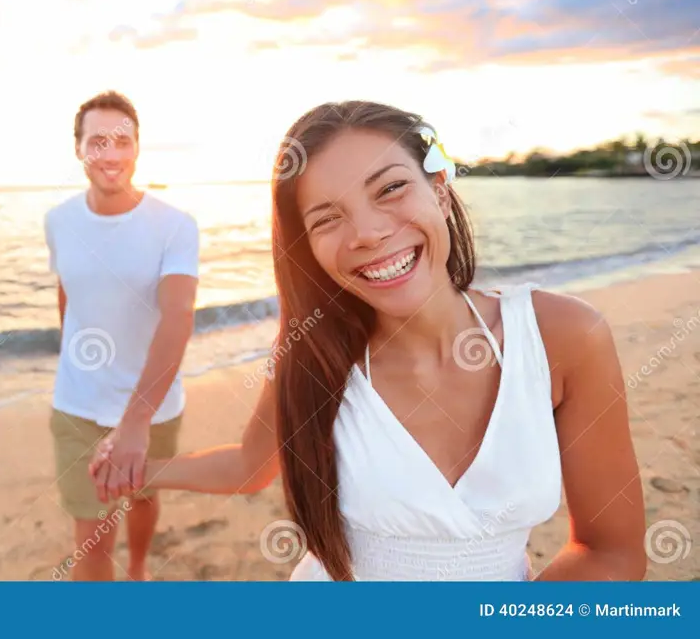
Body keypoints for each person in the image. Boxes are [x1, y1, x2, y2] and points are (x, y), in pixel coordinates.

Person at [90, 100, 647, 581]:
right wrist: (139, 469)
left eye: (391, 189)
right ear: (306, 246)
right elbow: (249, 465)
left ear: (440, 190)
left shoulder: (564, 338)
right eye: (328, 219)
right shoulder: (313, 358)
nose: (368, 234)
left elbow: (612, 552)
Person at [44, 90, 200, 581]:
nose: (109, 154)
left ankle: (137, 571)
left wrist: (136, 421)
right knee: (90, 544)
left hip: (154, 408)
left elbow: (178, 316)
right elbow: (67, 295)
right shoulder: (58, 221)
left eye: (121, 141)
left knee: (144, 498)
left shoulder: (175, 226)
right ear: (78, 149)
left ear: (137, 148)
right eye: (97, 142)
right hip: (78, 407)